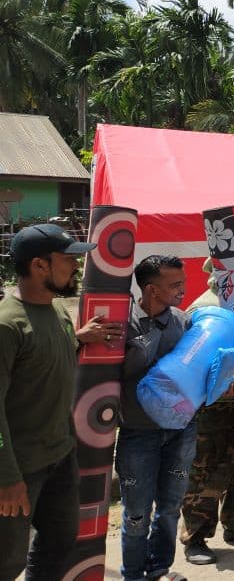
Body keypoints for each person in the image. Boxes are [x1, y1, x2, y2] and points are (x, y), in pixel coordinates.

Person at [0, 224, 103, 580]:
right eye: (68, 259)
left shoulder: (58, 311)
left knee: (59, 542)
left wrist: (79, 338)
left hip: (60, 457)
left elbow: (46, 358)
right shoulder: (7, 325)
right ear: (39, 265)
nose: (76, 266)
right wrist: (6, 477)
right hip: (20, 468)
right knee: (6, 562)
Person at [181, 254, 234, 565]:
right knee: (208, 468)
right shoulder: (206, 308)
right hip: (213, 405)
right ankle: (195, 537)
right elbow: (192, 363)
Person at [116, 256, 195, 581]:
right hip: (138, 434)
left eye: (182, 283)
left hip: (181, 432)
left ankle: (158, 569)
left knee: (170, 508)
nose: (182, 290)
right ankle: (134, 575)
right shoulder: (122, 325)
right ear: (151, 290)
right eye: (175, 285)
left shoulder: (183, 322)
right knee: (136, 514)